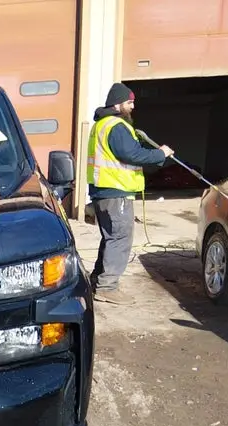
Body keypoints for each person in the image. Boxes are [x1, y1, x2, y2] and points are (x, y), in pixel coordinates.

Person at [87, 82, 174, 305]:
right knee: (120, 237)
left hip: (104, 191)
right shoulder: (116, 125)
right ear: (118, 104)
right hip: (116, 192)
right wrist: (159, 154)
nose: (133, 107)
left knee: (111, 238)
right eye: (129, 102)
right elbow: (132, 154)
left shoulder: (101, 125)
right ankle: (107, 287)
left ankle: (98, 280)